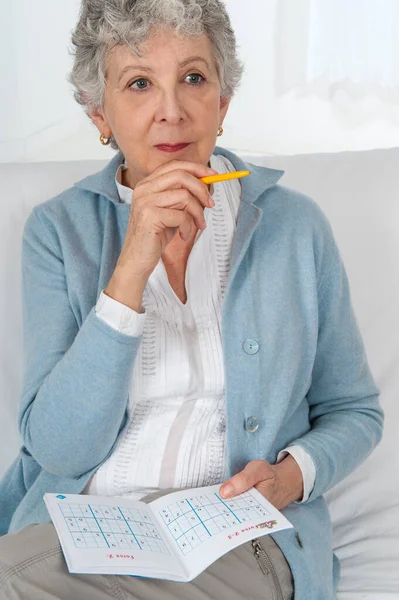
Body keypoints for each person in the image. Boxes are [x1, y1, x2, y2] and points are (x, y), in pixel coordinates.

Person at [0, 1, 383, 598]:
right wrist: (131, 267)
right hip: (83, 528)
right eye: (139, 84)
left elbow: (356, 410)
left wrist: (290, 479)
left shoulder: (295, 227)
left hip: (239, 534)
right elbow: (57, 447)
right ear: (99, 113)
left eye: (194, 78)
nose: (171, 112)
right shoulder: (58, 231)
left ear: (222, 104)